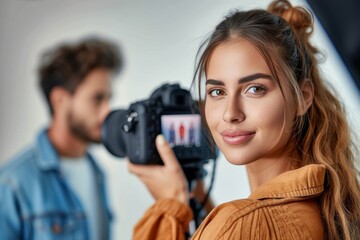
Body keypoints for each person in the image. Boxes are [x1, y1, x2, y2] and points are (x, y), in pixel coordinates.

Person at [128, 0, 360, 239]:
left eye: (254, 89)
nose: (230, 113)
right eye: (217, 92)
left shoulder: (242, 224)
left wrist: (170, 207)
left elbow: (243, 225)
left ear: (302, 97)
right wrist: (196, 194)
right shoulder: (329, 208)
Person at [0, 37, 123, 239]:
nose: (107, 112)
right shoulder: (11, 184)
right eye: (97, 99)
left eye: (109, 99)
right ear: (60, 100)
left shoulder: (97, 173)